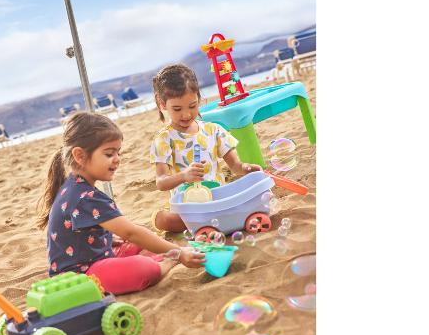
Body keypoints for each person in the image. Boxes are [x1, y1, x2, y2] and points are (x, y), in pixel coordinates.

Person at [36, 112, 205, 295]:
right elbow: (130, 232)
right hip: (81, 278)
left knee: (139, 238)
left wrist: (109, 237)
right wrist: (178, 253)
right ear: (80, 156)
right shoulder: (86, 196)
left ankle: (167, 253)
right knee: (142, 267)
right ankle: (169, 260)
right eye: (109, 153)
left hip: (94, 257)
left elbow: (97, 229)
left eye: (118, 152)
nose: (117, 159)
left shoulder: (74, 185)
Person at [149, 63, 262, 233]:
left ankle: (215, 221)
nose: (186, 114)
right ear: (162, 104)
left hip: (218, 201)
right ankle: (216, 222)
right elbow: (161, 182)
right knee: (162, 219)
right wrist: (184, 176)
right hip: (189, 208)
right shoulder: (163, 139)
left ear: (199, 98)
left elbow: (235, 166)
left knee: (254, 196)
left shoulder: (213, 130)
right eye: (177, 109)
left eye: (192, 106)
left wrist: (246, 168)